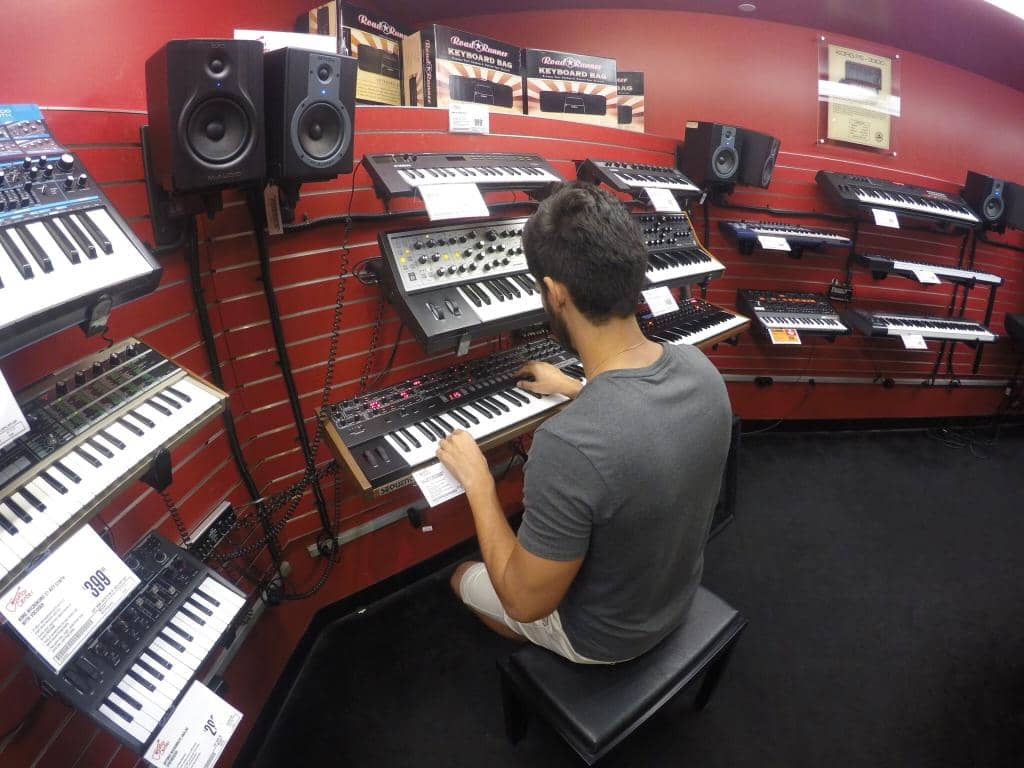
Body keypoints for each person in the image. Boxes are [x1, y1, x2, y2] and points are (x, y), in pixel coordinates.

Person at [435, 182, 732, 664]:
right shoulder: (702, 371)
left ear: (555, 293)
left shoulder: (567, 445)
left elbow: (524, 602)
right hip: (673, 595)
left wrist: (479, 483)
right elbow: (641, 426)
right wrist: (576, 387)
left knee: (462, 576)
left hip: (603, 641)